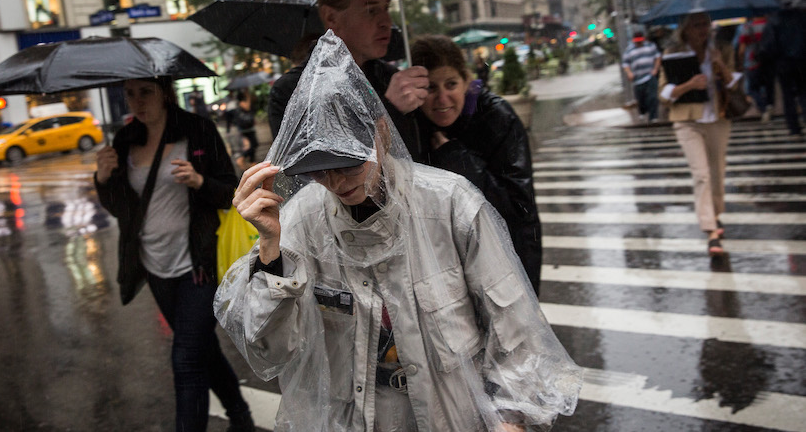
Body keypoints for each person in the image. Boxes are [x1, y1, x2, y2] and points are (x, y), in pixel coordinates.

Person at [214, 33, 582, 432]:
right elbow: (271, 349)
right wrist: (270, 251)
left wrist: (513, 416)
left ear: (381, 133)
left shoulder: (449, 204)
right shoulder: (302, 220)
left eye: (350, 164)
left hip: (453, 416)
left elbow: (514, 325)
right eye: (321, 169)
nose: (337, 182)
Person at [94, 77, 255, 432]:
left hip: (199, 265)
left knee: (185, 360)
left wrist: (199, 182)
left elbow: (230, 189)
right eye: (130, 93)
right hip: (155, 266)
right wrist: (104, 178)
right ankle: (240, 416)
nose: (137, 101)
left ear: (164, 92)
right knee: (201, 349)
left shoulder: (197, 129)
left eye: (146, 92)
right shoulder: (125, 139)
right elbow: (122, 208)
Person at [410, 35, 543, 295]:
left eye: (451, 84)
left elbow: (517, 209)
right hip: (444, 272)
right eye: (431, 88)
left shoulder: (496, 117)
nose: (442, 98)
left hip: (505, 265)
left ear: (466, 81)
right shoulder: (413, 124)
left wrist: (459, 160)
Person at [267, 0, 428, 158]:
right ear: (332, 18)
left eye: (386, 8)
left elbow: (419, 163)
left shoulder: (391, 79)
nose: (386, 22)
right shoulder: (293, 91)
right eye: (371, 10)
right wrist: (390, 110)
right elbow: (318, 176)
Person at [659, 12, 740, 257]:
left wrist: (721, 65)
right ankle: (711, 232)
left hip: (718, 119)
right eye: (696, 25)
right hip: (687, 121)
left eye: (705, 24)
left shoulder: (723, 49)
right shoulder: (673, 54)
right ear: (685, 28)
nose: (702, 29)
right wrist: (689, 86)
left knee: (717, 172)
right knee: (702, 174)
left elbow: (734, 85)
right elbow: (663, 95)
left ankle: (714, 215)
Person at [760, 9, 806, 137]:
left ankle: (794, 127)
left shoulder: (774, 20)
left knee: (788, 96)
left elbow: (768, 45)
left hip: (783, 63)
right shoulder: (802, 16)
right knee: (803, 92)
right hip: (802, 60)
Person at [733, 17, 774, 122]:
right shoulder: (769, 24)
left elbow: (741, 50)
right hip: (769, 60)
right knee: (768, 85)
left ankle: (763, 107)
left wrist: (740, 63)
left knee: (752, 89)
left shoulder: (747, 27)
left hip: (752, 62)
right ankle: (769, 104)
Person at [621, 30, 662, 122]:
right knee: (641, 98)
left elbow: (658, 57)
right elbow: (625, 64)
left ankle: (653, 116)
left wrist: (655, 69)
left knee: (652, 96)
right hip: (637, 78)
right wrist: (629, 73)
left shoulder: (650, 46)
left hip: (650, 75)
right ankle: (642, 112)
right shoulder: (629, 50)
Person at [231, 91, 258, 164]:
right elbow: (248, 108)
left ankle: (252, 161)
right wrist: (248, 97)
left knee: (253, 145)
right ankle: (242, 157)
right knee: (253, 145)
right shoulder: (242, 102)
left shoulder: (240, 103)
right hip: (246, 129)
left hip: (247, 128)